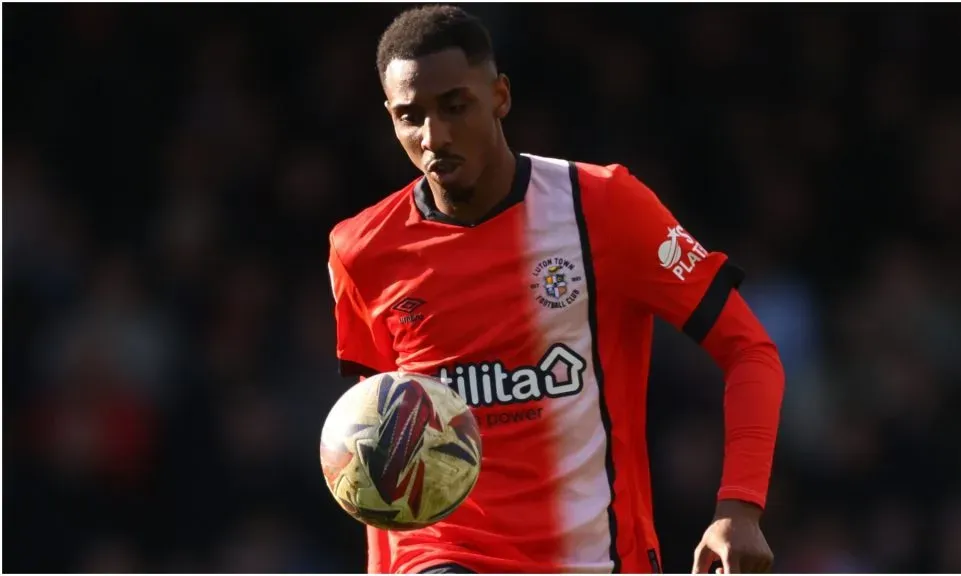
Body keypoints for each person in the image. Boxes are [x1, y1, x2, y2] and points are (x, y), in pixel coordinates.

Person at [328, 5, 785, 574]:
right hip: (445, 556)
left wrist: (739, 507)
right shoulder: (362, 250)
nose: (433, 136)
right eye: (410, 116)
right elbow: (376, 458)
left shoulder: (605, 207)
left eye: (454, 106)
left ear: (500, 96)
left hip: (597, 557)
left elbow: (750, 350)